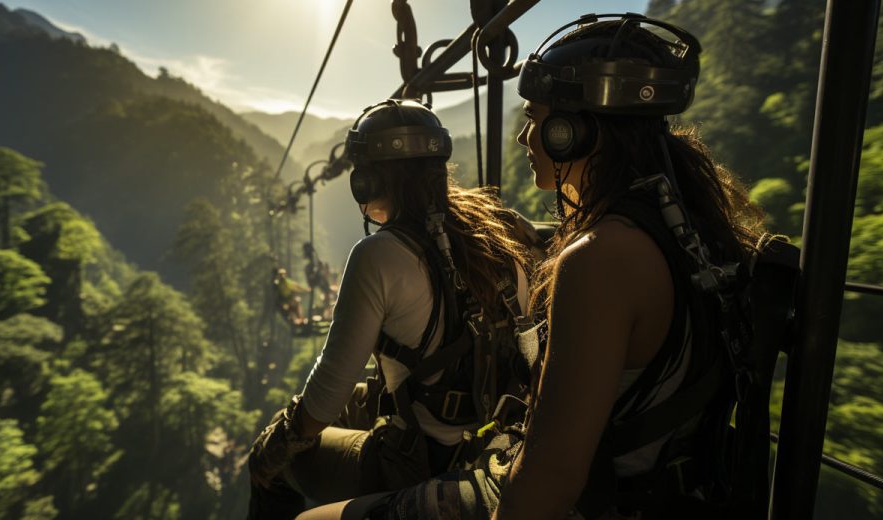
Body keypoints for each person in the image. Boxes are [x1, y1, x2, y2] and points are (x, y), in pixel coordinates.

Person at [298, 13, 766, 520]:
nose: (524, 137)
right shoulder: (686, 228)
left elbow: (547, 482)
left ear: (573, 133)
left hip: (598, 500)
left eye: (535, 117)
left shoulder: (599, 259)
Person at [247, 99, 533, 518]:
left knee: (271, 460)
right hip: (489, 436)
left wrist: (275, 444)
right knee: (353, 399)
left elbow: (326, 396)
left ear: (367, 182)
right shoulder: (495, 233)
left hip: (416, 459)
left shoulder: (379, 255)